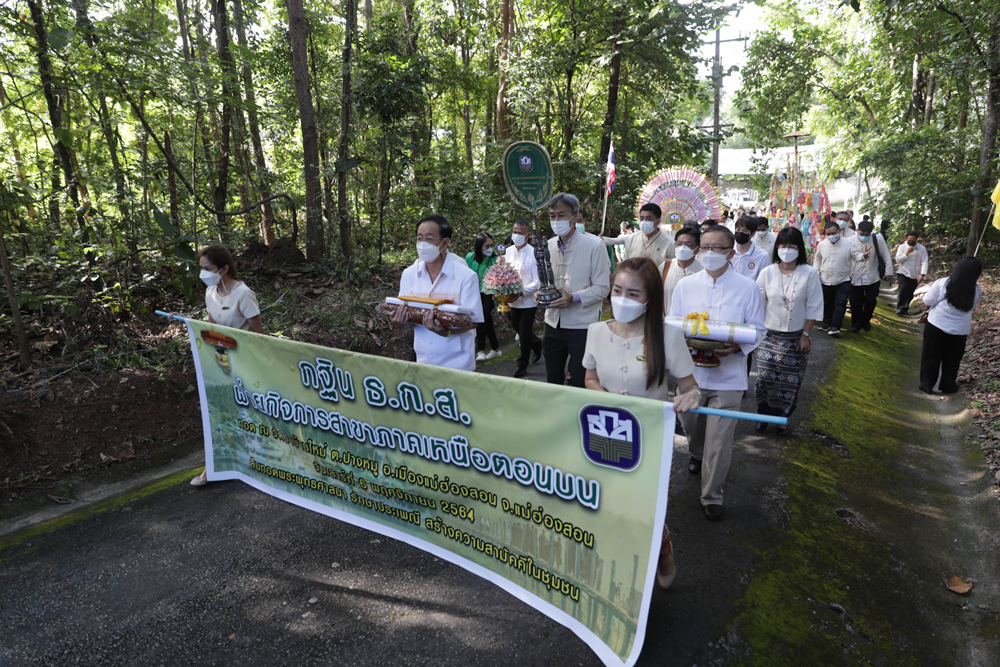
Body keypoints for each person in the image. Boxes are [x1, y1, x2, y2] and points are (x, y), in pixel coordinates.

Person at [583, 257, 701, 587]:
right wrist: (603, 394)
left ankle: (662, 551)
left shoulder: (668, 337)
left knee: (647, 513)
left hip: (651, 442)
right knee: (611, 509)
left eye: (633, 293)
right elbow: (589, 378)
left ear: (650, 298)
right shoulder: (594, 331)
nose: (622, 298)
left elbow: (691, 387)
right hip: (604, 439)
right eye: (617, 290)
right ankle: (617, 570)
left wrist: (690, 397)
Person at [669, 226, 766, 520]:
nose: (710, 253)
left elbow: (758, 329)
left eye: (718, 248)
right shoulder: (686, 286)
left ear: (731, 252)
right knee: (691, 426)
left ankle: (712, 495)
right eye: (706, 248)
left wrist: (736, 348)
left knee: (720, 440)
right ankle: (697, 453)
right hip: (691, 376)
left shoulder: (747, 287)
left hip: (729, 377)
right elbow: (672, 322)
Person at [190, 245, 264, 487]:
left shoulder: (243, 294)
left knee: (247, 414)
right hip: (221, 363)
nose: (203, 273)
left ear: (224, 269)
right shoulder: (210, 293)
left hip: (245, 364)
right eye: (201, 268)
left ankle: (257, 461)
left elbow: (258, 335)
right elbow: (213, 329)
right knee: (217, 414)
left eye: (207, 269)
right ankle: (213, 467)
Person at [391, 215, 484, 371]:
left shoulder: (465, 276)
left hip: (458, 363)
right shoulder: (409, 275)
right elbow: (408, 312)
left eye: (429, 239)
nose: (422, 245)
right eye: (419, 239)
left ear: (445, 242)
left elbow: (473, 321)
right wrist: (401, 321)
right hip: (423, 360)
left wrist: (444, 330)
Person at [753, 228, 823, 434]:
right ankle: (762, 414)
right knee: (765, 379)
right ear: (777, 248)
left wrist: (806, 336)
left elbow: (814, 308)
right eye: (783, 246)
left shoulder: (809, 273)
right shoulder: (767, 272)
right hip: (768, 336)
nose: (787, 250)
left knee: (790, 382)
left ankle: (781, 417)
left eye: (792, 246)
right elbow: (756, 304)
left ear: (799, 248)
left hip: (795, 339)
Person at [543, 193, 611, 387]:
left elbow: (602, 288)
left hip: (583, 325)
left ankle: (579, 414)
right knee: (553, 378)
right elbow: (545, 281)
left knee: (581, 379)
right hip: (552, 322)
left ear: (574, 216)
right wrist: (541, 292)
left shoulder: (594, 245)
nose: (556, 220)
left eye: (561, 215)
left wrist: (573, 297)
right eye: (552, 215)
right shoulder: (548, 245)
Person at [918, 257, 982, 394]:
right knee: (952, 359)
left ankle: (927, 385)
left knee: (931, 356)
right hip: (960, 330)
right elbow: (971, 307)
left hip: (936, 325)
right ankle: (948, 386)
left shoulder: (942, 283)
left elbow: (927, 301)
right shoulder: (977, 290)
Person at [813, 219, 863, 338]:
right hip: (825, 278)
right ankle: (826, 323)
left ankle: (835, 327)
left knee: (840, 303)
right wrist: (816, 271)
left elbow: (857, 256)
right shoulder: (822, 244)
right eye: (828, 234)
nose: (831, 236)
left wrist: (864, 256)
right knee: (826, 302)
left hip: (843, 279)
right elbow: (817, 258)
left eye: (833, 233)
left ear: (839, 231)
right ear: (825, 234)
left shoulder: (848, 243)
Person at [506, 220, 542, 378]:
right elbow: (502, 274)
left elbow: (538, 280)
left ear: (527, 235)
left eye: (520, 233)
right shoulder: (507, 252)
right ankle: (536, 343)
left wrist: (522, 292)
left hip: (527, 301)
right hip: (510, 301)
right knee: (519, 329)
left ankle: (522, 364)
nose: (516, 235)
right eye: (514, 231)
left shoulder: (533, 253)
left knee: (524, 332)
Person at [847, 219, 893, 333]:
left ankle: (866, 320)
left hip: (872, 276)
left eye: (866, 235)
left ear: (871, 232)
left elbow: (885, 255)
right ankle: (856, 324)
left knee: (870, 300)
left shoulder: (877, 238)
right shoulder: (850, 241)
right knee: (855, 302)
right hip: (854, 276)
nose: (863, 237)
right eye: (861, 234)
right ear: (857, 230)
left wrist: (888, 272)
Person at [466, 232, 502, 362]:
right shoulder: (470, 257)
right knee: (486, 320)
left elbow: (499, 279)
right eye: (487, 246)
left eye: (491, 245)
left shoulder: (495, 260)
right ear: (479, 246)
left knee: (481, 317)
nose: (490, 248)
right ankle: (496, 349)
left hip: (489, 293)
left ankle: (480, 350)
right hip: (474, 293)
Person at [603, 203, 676, 266]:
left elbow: (672, 269)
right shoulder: (631, 239)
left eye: (649, 219)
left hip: (658, 282)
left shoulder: (669, 243)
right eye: (642, 218)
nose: (644, 222)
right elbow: (626, 264)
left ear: (658, 221)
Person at [659, 225, 703, 313]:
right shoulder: (666, 266)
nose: (682, 248)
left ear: (697, 249)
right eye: (679, 244)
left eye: (688, 244)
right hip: (668, 322)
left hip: (694, 323)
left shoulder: (703, 270)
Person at [895, 231, 928, 315]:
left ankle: (906, 308)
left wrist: (922, 274)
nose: (911, 242)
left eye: (913, 240)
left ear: (917, 239)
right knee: (903, 288)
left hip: (915, 273)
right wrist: (907, 253)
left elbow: (924, 261)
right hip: (903, 271)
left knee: (910, 291)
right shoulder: (902, 247)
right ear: (906, 239)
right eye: (909, 240)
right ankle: (900, 308)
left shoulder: (921, 248)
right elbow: (898, 260)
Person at [730, 215, 771, 281]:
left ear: (753, 234)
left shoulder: (762, 256)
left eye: (745, 231)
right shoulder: (728, 251)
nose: (740, 233)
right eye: (738, 229)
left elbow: (763, 281)